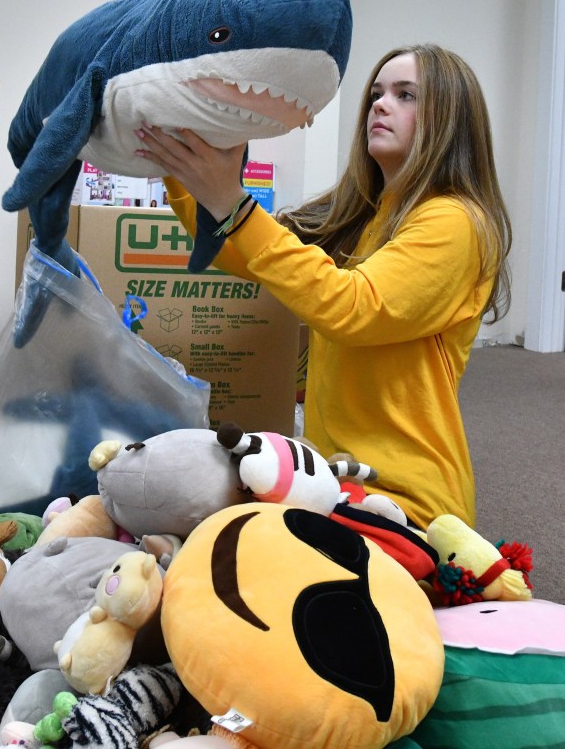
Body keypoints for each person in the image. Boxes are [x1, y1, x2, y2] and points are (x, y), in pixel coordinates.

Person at [133, 43, 511, 531]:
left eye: (407, 95)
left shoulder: (456, 221)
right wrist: (183, 171)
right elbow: (247, 254)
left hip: (405, 497)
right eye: (377, 92)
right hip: (334, 479)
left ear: (451, 120)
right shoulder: (368, 215)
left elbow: (353, 307)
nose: (379, 103)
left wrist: (232, 201)